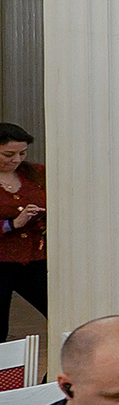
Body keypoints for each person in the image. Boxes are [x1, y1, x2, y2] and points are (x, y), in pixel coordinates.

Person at [0, 121, 45, 328]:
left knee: (58, 310)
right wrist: (12, 224)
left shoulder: (36, 173)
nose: (16, 160)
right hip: (2, 261)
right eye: (8, 155)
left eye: (23, 153)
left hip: (35, 258)